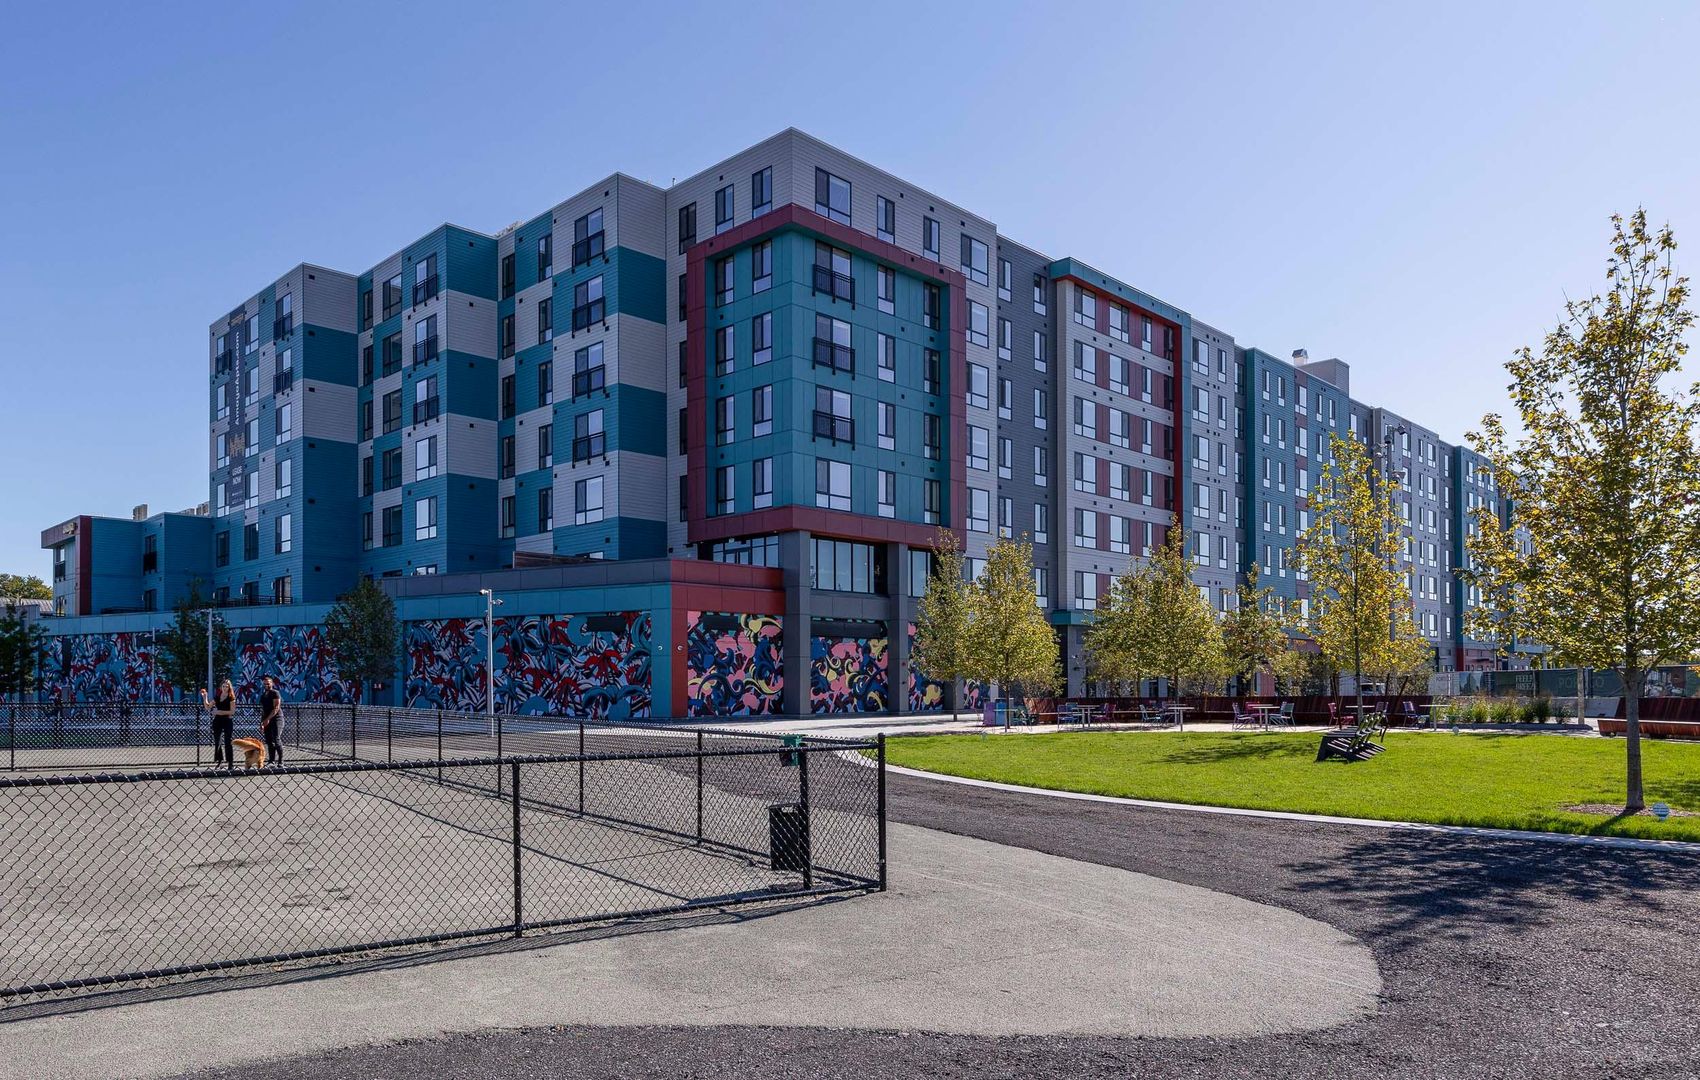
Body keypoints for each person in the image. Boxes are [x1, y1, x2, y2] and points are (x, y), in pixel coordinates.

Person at [200, 679, 236, 770]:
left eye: (227, 686)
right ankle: (220, 761)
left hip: (227, 721)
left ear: (229, 687)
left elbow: (232, 712)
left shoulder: (231, 697)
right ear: (221, 687)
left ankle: (230, 763)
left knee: (228, 742)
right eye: (223, 686)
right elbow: (208, 707)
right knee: (217, 742)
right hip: (217, 721)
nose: (225, 688)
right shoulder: (217, 697)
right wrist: (205, 698)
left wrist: (219, 712)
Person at [258, 675, 283, 766]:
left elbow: (276, 708)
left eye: (268, 683)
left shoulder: (275, 693)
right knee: (269, 741)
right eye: (264, 684)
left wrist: (268, 719)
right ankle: (271, 761)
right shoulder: (263, 695)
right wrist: (262, 722)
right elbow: (263, 710)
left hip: (277, 719)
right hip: (267, 719)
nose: (266, 685)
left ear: (272, 683)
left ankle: (280, 761)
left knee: (276, 739)